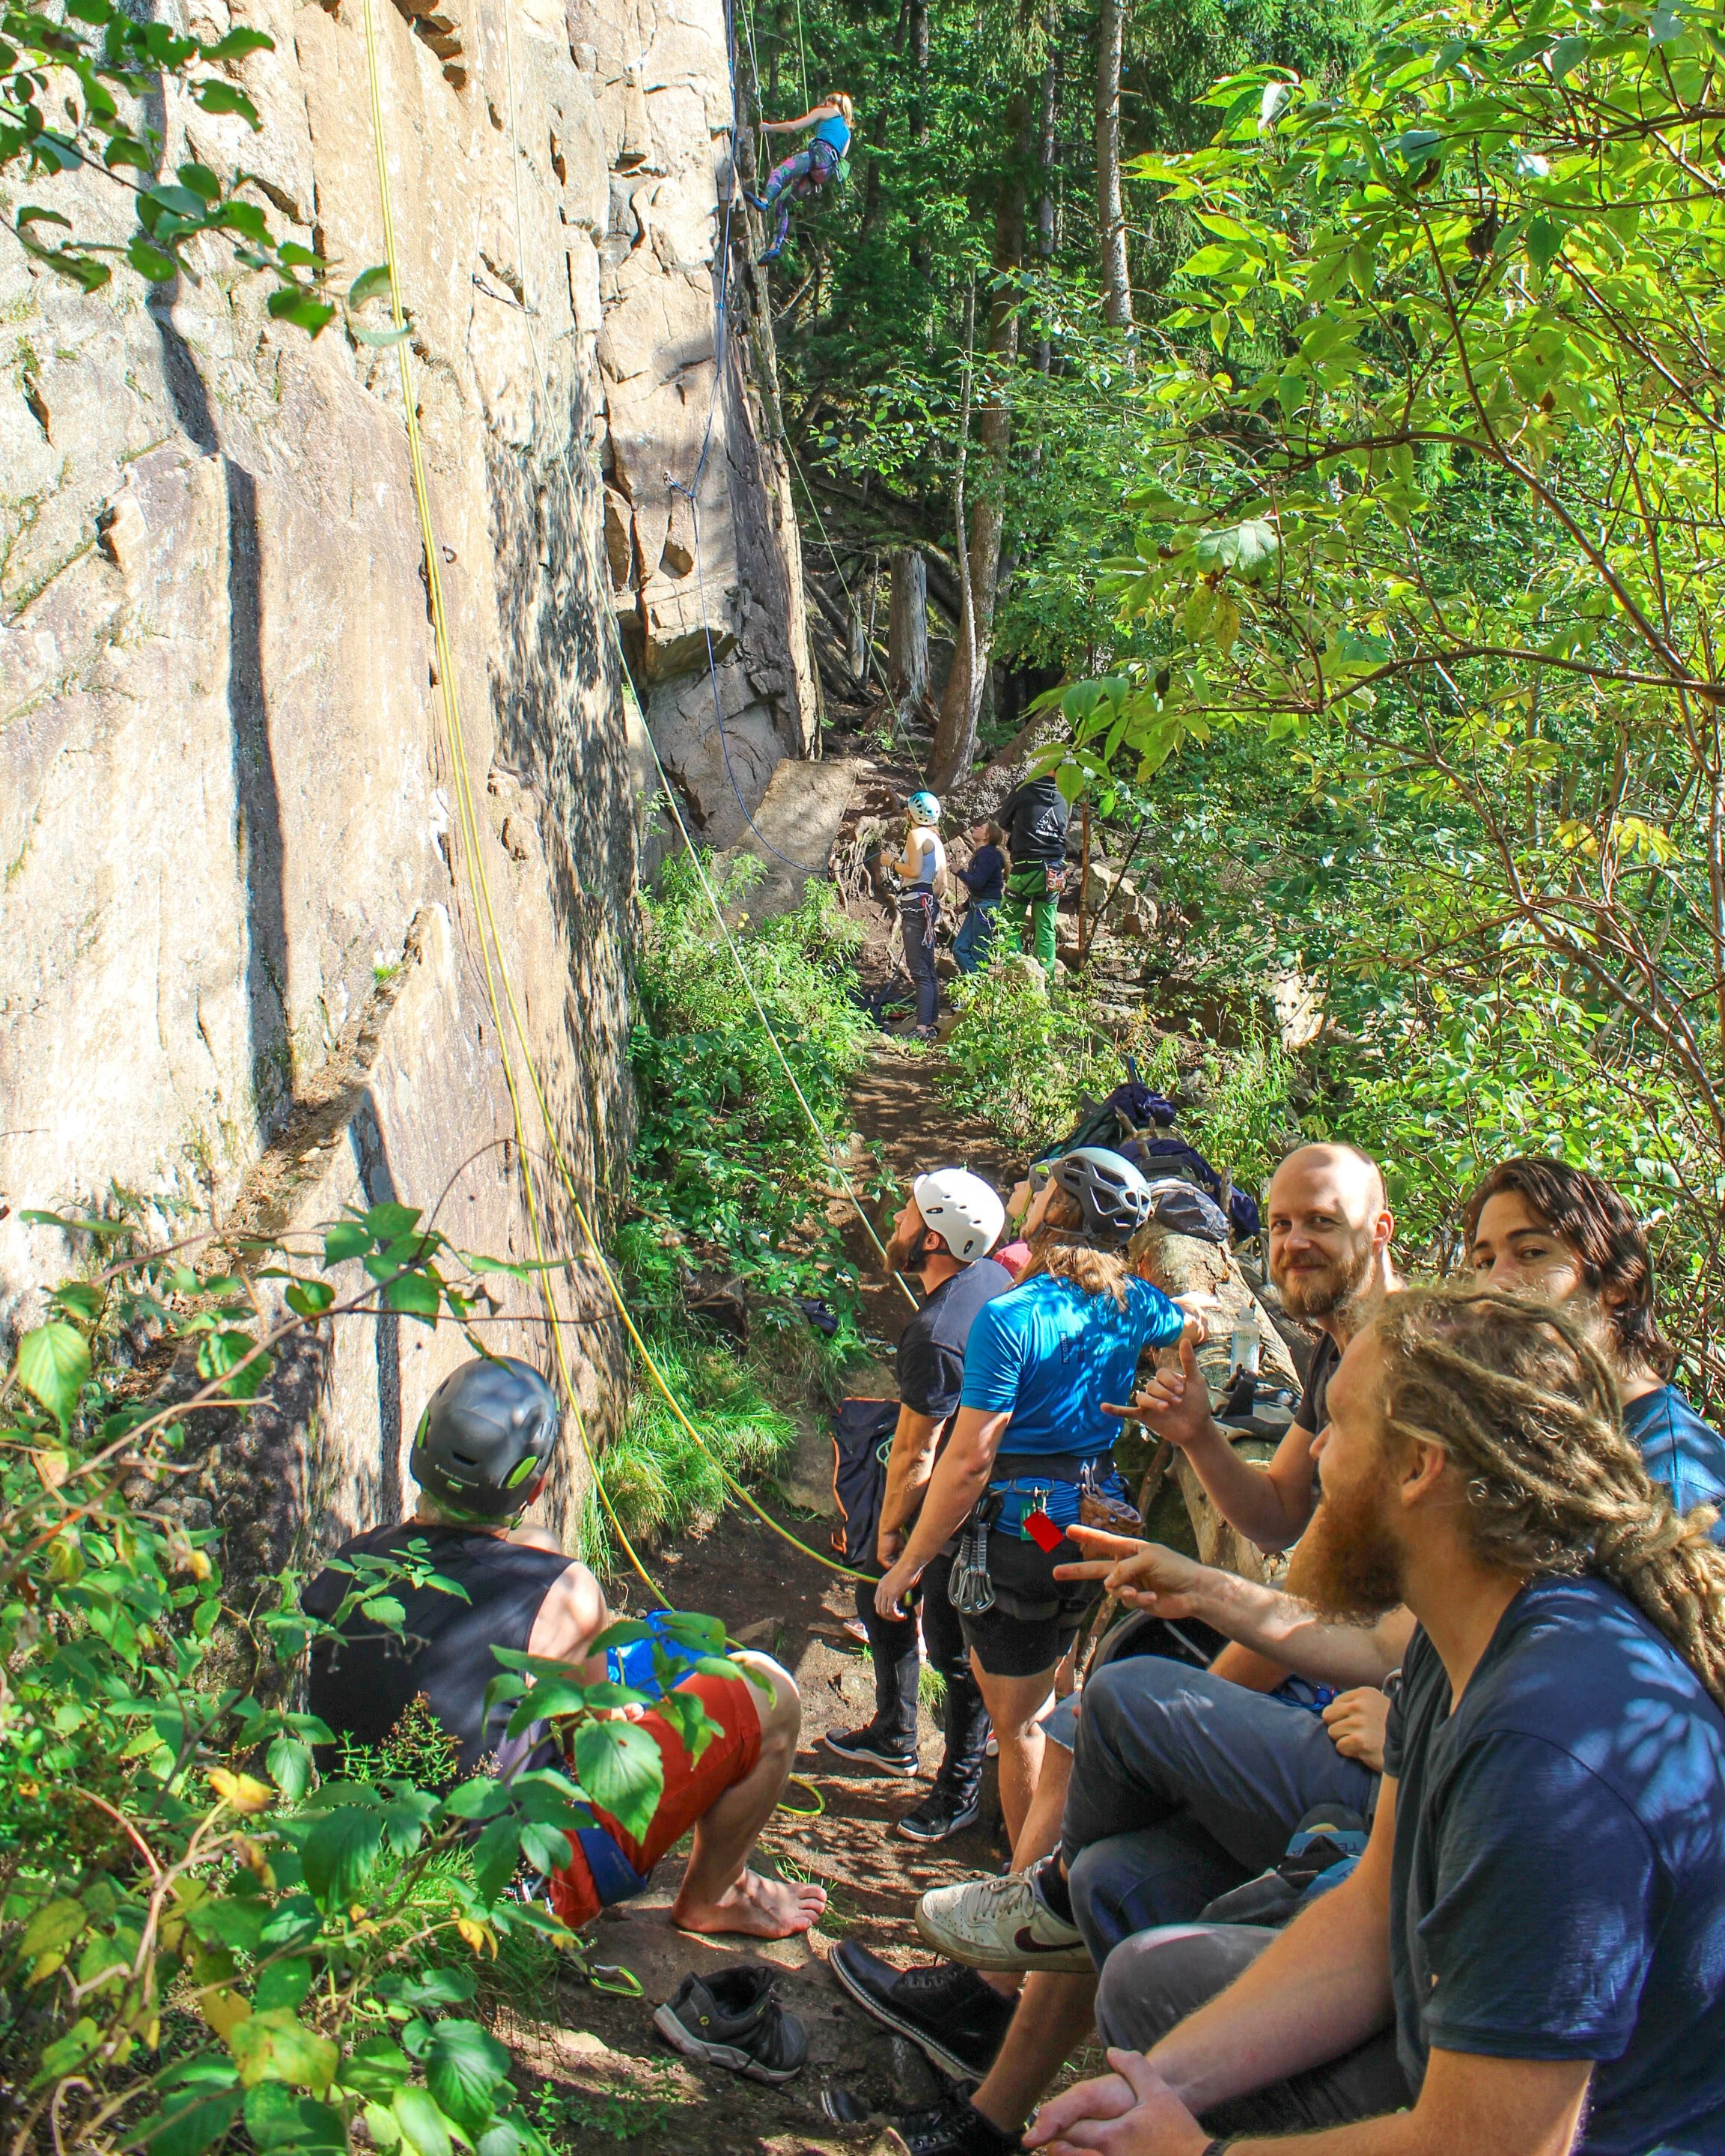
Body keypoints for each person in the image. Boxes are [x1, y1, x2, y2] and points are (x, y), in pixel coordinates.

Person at [1020, 1290, 1725, 2156]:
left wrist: (1200, 2155)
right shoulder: (1458, 1635)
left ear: (1420, 1464)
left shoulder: (1550, 1753)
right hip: (1437, 2062)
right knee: (1152, 1989)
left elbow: (1494, 2146)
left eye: (1341, 1427)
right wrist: (1153, 2089)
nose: (1315, 1452)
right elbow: (1372, 1910)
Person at [302, 1356, 824, 1945]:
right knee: (766, 1689)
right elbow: (598, 1741)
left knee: (544, 1552)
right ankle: (717, 1894)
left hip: (370, 1853)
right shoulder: (561, 1592)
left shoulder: (349, 1563)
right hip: (513, 1890)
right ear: (538, 1485)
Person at [873, 1148, 1206, 1852]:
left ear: (1059, 1212)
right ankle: (1042, 1848)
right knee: (1046, 1682)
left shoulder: (1010, 1317)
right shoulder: (1133, 1304)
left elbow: (967, 1463)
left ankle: (1021, 1896)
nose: (1030, 1195)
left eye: (1045, 1188)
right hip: (1082, 1523)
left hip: (1023, 1529)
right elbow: (1187, 1328)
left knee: (1018, 1723)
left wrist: (909, 1563)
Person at [824, 1167, 1013, 1844]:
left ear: (932, 1238)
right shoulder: (987, 1279)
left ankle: (958, 1788)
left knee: (956, 1648)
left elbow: (914, 1455)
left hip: (972, 1504)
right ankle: (894, 1732)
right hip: (990, 1482)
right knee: (883, 1596)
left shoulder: (934, 1334)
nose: (897, 1222)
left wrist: (891, 1533)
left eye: (907, 1214)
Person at [1122, 1142, 1399, 1558]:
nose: (1294, 1242)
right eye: (1282, 1224)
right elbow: (1278, 1519)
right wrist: (1198, 1435)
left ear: (1378, 1231)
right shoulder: (1333, 1352)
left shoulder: (1413, 1362)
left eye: (1321, 1221)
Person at [1465, 1154, 1725, 1532]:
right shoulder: (1541, 1448)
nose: (1496, 1283)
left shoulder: (1680, 1481)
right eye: (1484, 1261)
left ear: (1617, 1283)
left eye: (1531, 1253)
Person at [747, 93, 853, 263]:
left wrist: (769, 128)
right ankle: (775, 246)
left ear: (829, 102)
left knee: (779, 173)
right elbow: (841, 158)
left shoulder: (825, 112)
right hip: (825, 172)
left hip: (818, 155)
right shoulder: (847, 133)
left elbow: (793, 127)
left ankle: (764, 200)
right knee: (782, 202)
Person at [996, 770, 1070, 975]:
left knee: (1007, 922)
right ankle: (1047, 980)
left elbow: (1003, 822)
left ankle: (1017, 972)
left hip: (1028, 865)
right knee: (1046, 927)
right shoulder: (1066, 795)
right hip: (1055, 870)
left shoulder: (1024, 788)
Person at [894, 790, 946, 1040]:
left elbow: (913, 870)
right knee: (928, 966)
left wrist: (890, 863)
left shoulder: (915, 835)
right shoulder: (937, 840)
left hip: (915, 903)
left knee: (919, 969)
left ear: (910, 814)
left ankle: (922, 1029)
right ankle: (930, 1024)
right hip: (928, 904)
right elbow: (942, 884)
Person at [953, 820, 1006, 975]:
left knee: (979, 953)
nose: (976, 828)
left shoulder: (988, 855)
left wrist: (960, 872)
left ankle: (977, 990)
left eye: (981, 828)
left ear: (987, 836)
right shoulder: (983, 855)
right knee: (959, 948)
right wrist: (965, 906)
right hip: (978, 905)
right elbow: (982, 888)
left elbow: (977, 882)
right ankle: (973, 985)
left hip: (986, 909)